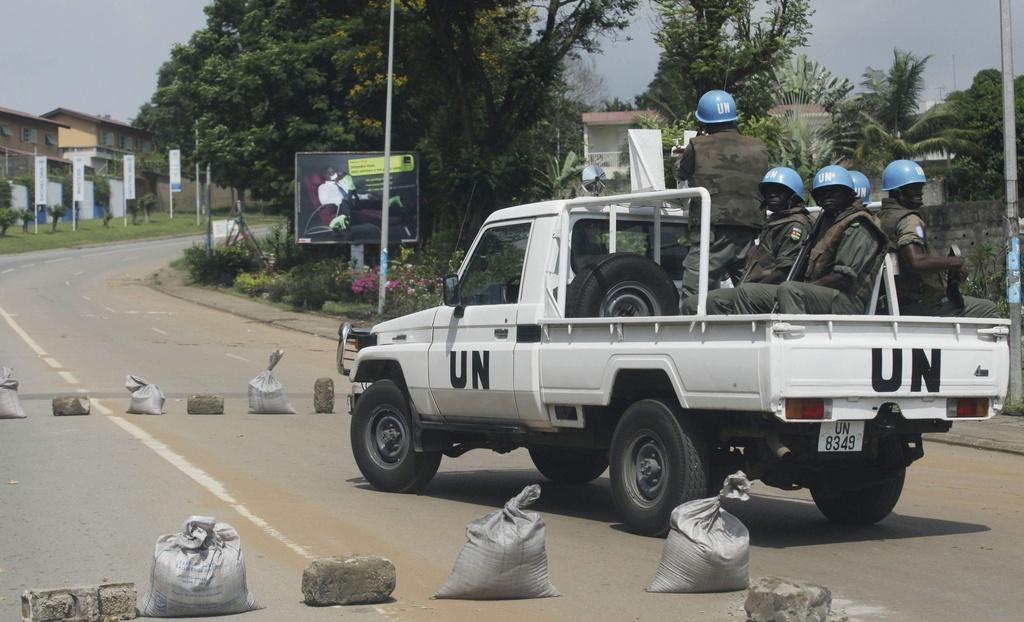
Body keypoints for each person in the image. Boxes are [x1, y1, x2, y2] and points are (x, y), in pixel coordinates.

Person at [734, 165, 888, 315]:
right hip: (821, 294)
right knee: (744, 293)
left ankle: (792, 339)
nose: (827, 197)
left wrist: (804, 286)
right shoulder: (826, 222)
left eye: (834, 192)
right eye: (822, 193)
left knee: (790, 289)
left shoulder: (859, 224)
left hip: (846, 300)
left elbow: (844, 278)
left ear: (848, 194)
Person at [672, 90, 770, 297]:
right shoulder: (759, 147)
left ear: (704, 122)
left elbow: (681, 172)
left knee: (694, 293)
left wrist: (687, 152)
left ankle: (691, 328)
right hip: (749, 231)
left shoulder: (697, 145)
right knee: (750, 291)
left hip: (713, 230)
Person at [877, 160, 999, 317]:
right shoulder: (909, 220)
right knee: (989, 309)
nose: (920, 192)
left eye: (921, 187)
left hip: (896, 301)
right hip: (920, 305)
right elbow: (916, 261)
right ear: (898, 192)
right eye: (914, 188)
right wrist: (954, 263)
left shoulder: (879, 218)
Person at [681, 166, 810, 314]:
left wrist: (747, 288)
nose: (772, 194)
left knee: (712, 301)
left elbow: (784, 272)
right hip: (758, 288)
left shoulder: (795, 225)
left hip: (774, 290)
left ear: (793, 196)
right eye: (769, 190)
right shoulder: (775, 222)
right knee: (692, 303)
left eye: (779, 190)